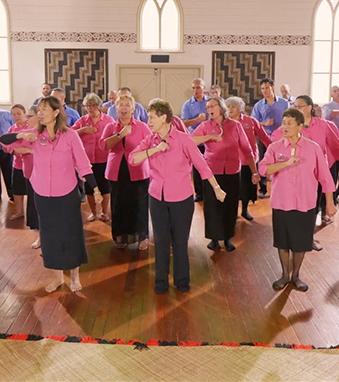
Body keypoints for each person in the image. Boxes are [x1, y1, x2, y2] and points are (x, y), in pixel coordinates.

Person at [0, 96, 102, 293]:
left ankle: (74, 276)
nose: (40, 113)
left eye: (45, 109)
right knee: (49, 234)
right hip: (42, 193)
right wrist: (21, 136)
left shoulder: (70, 135)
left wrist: (95, 188)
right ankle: (56, 277)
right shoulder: (35, 135)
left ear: (56, 113)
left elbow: (83, 164)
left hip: (67, 192)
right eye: (39, 109)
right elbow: (3, 141)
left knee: (70, 233)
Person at [131, 99, 226, 294]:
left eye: (152, 117)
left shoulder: (183, 139)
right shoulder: (150, 140)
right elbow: (133, 159)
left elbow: (201, 166)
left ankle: (182, 282)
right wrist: (154, 150)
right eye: (148, 117)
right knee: (161, 241)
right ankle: (161, 283)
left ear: (164, 117)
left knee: (180, 242)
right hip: (157, 198)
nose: (148, 121)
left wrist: (216, 188)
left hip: (181, 199)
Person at [259, 108, 336, 292]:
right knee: (283, 242)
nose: (285, 127)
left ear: (300, 126)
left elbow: (325, 177)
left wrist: (330, 203)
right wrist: (285, 163)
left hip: (306, 203)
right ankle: (285, 274)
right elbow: (263, 169)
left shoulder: (313, 148)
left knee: (301, 242)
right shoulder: (274, 147)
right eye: (283, 123)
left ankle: (296, 276)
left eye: (289, 123)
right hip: (281, 202)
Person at [192, 97, 258, 251]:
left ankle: (228, 237)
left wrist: (254, 171)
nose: (209, 109)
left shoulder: (235, 125)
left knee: (230, 205)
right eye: (207, 107)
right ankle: (214, 239)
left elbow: (247, 149)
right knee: (212, 206)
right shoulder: (205, 126)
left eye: (212, 106)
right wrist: (209, 137)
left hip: (232, 171)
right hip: (212, 172)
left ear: (221, 108)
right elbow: (192, 140)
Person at [286, 96, 339, 235]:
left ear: (310, 107)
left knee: (315, 204)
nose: (297, 109)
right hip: (299, 173)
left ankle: (308, 236)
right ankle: (300, 235)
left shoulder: (325, 125)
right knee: (300, 206)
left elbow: (337, 147)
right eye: (295, 106)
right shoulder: (290, 127)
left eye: (300, 106)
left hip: (321, 171)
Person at [100, 93, 152, 250]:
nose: (123, 108)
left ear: (133, 109)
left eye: (127, 105)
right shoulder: (110, 127)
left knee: (140, 204)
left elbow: (151, 145)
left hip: (138, 170)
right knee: (118, 205)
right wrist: (119, 135)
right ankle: (120, 236)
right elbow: (104, 146)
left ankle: (142, 237)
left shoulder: (142, 127)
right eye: (120, 105)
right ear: (115, 109)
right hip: (116, 170)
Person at [225, 96, 272, 220]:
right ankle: (233, 212)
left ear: (240, 108)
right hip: (232, 161)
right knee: (232, 189)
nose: (230, 109)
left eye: (233, 107)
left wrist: (273, 150)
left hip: (249, 160)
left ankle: (245, 210)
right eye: (228, 107)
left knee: (247, 189)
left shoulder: (250, 121)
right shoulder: (224, 122)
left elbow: (264, 137)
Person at [73, 93, 115, 222]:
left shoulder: (109, 120)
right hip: (87, 161)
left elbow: (116, 135)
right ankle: (93, 212)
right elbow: (70, 134)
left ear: (99, 106)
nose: (90, 109)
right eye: (87, 106)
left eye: (93, 105)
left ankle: (103, 212)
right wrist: (82, 130)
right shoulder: (82, 121)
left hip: (105, 158)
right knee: (89, 189)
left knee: (105, 187)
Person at [4, 106, 41, 249]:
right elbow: (4, 142)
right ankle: (40, 237)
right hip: (29, 172)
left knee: (42, 207)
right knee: (33, 206)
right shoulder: (24, 132)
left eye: (29, 116)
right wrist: (23, 146)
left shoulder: (45, 132)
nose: (26, 118)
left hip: (44, 176)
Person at [251, 78, 290, 197]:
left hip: (281, 137)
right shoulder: (258, 105)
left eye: (267, 88)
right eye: (262, 88)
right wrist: (264, 124)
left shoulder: (284, 103)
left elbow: (290, 117)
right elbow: (254, 122)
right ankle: (262, 189)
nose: (265, 91)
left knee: (282, 159)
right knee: (263, 161)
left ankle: (282, 186)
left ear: (272, 87)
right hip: (264, 137)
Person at [180, 78, 210, 202]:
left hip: (210, 140)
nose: (195, 90)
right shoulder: (187, 105)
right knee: (197, 168)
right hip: (196, 140)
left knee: (210, 166)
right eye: (193, 88)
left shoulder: (211, 102)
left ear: (203, 88)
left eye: (198, 87)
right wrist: (197, 120)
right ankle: (199, 193)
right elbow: (183, 123)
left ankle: (210, 191)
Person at [1, 104, 30, 219]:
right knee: (17, 189)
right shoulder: (12, 129)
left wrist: (24, 150)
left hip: (31, 164)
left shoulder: (31, 127)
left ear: (25, 114)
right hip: (17, 164)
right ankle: (19, 211)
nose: (16, 116)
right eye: (14, 114)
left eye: (19, 114)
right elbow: (4, 145)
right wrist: (13, 150)